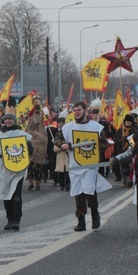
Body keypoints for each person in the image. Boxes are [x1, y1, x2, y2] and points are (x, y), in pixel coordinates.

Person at [56, 101, 111, 231]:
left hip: (90, 165)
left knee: (89, 190)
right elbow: (58, 139)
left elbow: (104, 144)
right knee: (78, 193)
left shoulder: (95, 127)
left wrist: (93, 144)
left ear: (85, 111)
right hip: (75, 165)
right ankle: (81, 220)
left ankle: (95, 213)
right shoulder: (67, 127)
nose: (77, 112)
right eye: (74, 110)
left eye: (79, 110)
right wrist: (62, 144)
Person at [0, 112, 33, 230]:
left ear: (14, 121)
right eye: (6, 119)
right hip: (2, 167)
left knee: (15, 194)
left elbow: (30, 150)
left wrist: (27, 147)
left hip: (17, 167)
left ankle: (16, 220)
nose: (8, 121)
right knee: (5, 194)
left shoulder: (21, 134)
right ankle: (9, 219)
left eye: (10, 119)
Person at [25, 96, 48, 191]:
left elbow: (38, 118)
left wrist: (38, 108)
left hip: (40, 142)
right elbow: (30, 126)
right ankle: (30, 182)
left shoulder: (41, 117)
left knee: (38, 166)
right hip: (31, 142)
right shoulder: (30, 118)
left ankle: (38, 183)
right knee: (30, 166)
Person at [53, 117, 70, 191]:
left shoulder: (68, 132)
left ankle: (67, 184)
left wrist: (67, 148)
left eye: (62, 123)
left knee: (67, 171)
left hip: (68, 154)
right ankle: (61, 185)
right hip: (60, 155)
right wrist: (61, 147)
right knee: (61, 172)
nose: (61, 125)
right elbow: (55, 147)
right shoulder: (57, 133)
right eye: (60, 123)